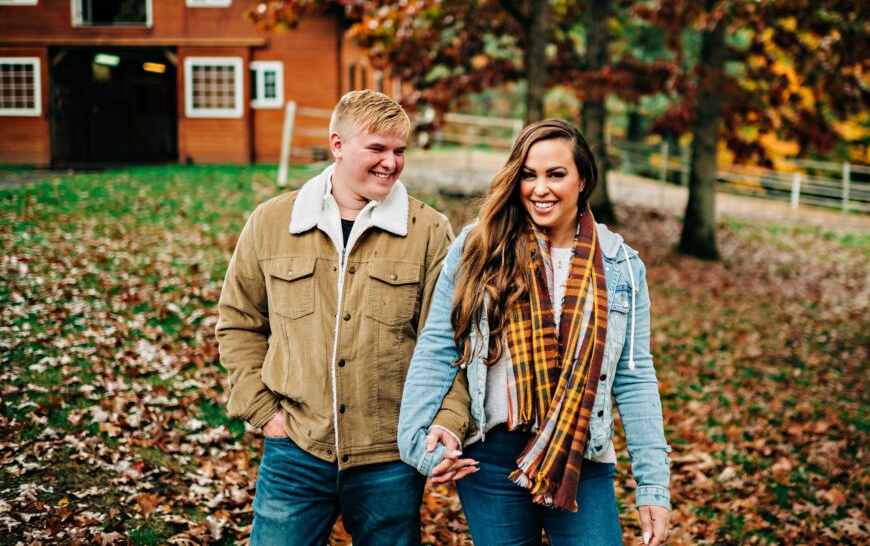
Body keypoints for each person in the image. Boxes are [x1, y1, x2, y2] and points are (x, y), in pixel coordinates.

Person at [216, 90, 474, 546]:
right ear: (337, 144)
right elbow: (239, 321)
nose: (390, 163)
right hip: (295, 448)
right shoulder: (272, 222)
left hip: (390, 456)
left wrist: (447, 420)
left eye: (399, 151)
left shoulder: (429, 231)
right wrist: (262, 410)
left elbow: (455, 340)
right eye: (376, 148)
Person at [398, 119, 672, 546]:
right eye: (529, 175)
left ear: (583, 180)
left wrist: (653, 487)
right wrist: (416, 443)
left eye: (556, 174)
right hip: (490, 458)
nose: (540, 189)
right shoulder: (479, 247)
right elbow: (437, 346)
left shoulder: (621, 265)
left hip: (580, 454)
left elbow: (635, 378)